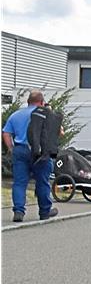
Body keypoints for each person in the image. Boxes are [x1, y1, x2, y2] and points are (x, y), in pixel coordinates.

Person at [2, 90, 58, 222]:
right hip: (40, 152)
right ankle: (45, 211)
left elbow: (5, 133)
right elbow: (58, 132)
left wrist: (11, 148)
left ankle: (19, 211)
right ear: (41, 102)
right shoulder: (45, 114)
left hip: (20, 150)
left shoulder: (15, 115)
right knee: (42, 182)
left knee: (20, 183)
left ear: (28, 102)